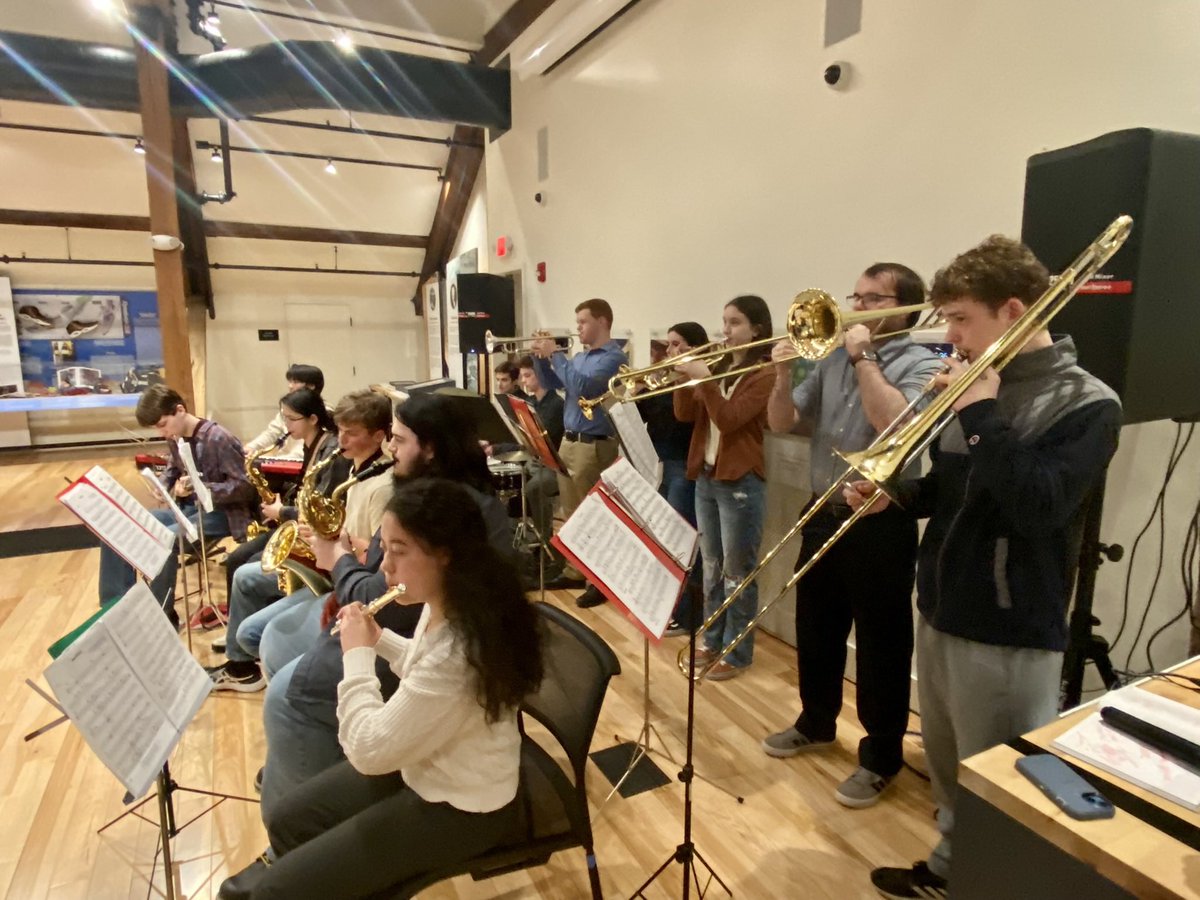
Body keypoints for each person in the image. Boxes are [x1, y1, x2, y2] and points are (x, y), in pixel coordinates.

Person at [846, 236, 1122, 899]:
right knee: (951, 774)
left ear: (1013, 310)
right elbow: (949, 492)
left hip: (1008, 625)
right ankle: (949, 870)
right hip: (942, 605)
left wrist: (979, 414)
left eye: (961, 318)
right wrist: (896, 495)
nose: (950, 334)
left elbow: (1038, 504)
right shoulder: (973, 386)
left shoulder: (1087, 403)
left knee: (999, 787)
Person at [216, 478, 543, 900]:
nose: (384, 567)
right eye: (383, 549)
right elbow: (421, 669)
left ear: (446, 556)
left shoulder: (459, 647)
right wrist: (379, 640)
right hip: (427, 765)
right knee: (288, 819)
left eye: (398, 552)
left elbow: (368, 751)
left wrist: (356, 656)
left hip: (460, 806)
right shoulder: (450, 602)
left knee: (275, 892)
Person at [255, 393, 515, 823]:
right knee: (275, 647)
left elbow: (385, 593)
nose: (390, 449)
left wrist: (337, 559)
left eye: (398, 439)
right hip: (407, 631)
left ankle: (302, 805)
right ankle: (304, 764)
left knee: (285, 698)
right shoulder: (435, 493)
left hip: (409, 632)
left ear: (430, 448)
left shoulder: (438, 508)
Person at [760, 264, 943, 808]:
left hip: (880, 518)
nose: (855, 308)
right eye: (855, 297)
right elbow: (782, 423)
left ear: (904, 309)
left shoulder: (921, 360)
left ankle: (881, 755)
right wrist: (781, 375)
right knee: (815, 627)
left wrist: (865, 356)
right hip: (822, 509)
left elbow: (895, 424)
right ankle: (816, 722)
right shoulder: (832, 357)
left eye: (871, 299)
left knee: (882, 643)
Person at [209, 390, 390, 691]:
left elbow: (376, 556)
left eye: (351, 433)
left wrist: (335, 539)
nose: (341, 440)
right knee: (248, 614)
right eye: (340, 431)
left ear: (378, 436)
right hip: (335, 569)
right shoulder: (356, 473)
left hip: (347, 584)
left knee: (256, 633)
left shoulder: (381, 486)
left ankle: (295, 684)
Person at [97, 384, 257, 628]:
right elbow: (174, 466)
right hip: (191, 511)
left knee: (166, 538)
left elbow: (244, 487)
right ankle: (117, 606)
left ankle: (161, 616)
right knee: (125, 525)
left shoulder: (219, 438)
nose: (161, 432)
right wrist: (163, 484)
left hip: (223, 514)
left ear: (180, 410)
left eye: (162, 424)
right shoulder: (177, 435)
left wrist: (201, 487)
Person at [673, 296, 774, 680]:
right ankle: (711, 640)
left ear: (757, 330)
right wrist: (685, 379)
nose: (725, 331)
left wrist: (705, 380)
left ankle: (738, 651)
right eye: (724, 322)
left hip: (741, 481)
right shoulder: (717, 367)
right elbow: (685, 415)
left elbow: (729, 419)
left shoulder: (765, 374)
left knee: (738, 570)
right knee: (711, 566)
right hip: (707, 478)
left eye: (734, 323)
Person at [531, 298, 628, 607]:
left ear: (602, 322)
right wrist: (539, 359)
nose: (578, 328)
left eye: (583, 322)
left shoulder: (613, 358)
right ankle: (575, 569)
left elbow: (584, 388)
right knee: (572, 515)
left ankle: (598, 581)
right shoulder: (581, 357)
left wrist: (557, 355)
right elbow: (551, 383)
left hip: (593, 445)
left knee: (593, 517)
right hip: (570, 441)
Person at [639, 322, 709, 635]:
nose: (670, 352)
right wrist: (643, 392)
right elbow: (650, 417)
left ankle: (689, 614)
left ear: (694, 347)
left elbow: (681, 420)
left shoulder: (698, 380)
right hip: (663, 466)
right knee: (666, 541)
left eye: (677, 344)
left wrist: (677, 380)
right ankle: (668, 606)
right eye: (668, 345)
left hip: (684, 466)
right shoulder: (671, 380)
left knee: (683, 543)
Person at [515, 355, 565, 578]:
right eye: (523, 376)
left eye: (528, 375)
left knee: (535, 488)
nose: (524, 381)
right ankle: (524, 544)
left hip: (555, 466)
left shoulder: (556, 405)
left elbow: (548, 444)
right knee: (512, 479)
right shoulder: (532, 403)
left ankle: (544, 545)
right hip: (536, 461)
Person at [244, 364, 326, 457]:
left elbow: (305, 448)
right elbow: (272, 432)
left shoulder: (325, 412)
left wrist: (275, 462)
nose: (290, 386)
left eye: (295, 382)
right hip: (284, 460)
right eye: (289, 381)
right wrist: (252, 447)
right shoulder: (288, 409)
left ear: (311, 386)